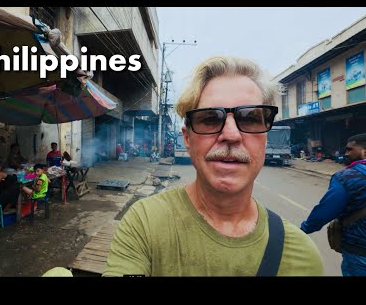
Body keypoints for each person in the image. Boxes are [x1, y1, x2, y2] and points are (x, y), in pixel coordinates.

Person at [103, 56, 323, 276]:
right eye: (210, 119)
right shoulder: (145, 224)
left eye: (248, 119)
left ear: (265, 136)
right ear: (187, 139)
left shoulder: (301, 255)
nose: (231, 135)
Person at [301, 133, 366, 276]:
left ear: (364, 152)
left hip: (359, 251)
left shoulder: (347, 177)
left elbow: (324, 212)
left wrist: (303, 230)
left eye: (350, 150)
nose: (345, 153)